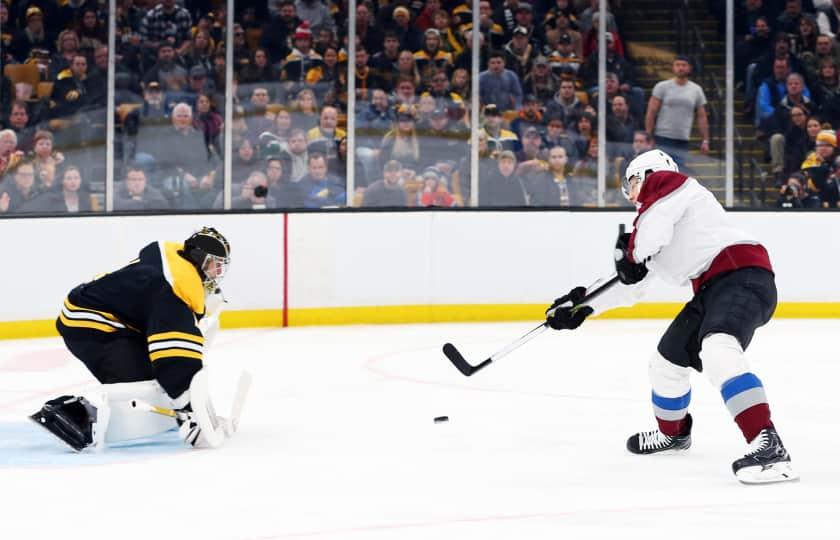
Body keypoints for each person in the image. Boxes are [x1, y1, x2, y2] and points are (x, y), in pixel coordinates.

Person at [545, 149, 797, 485]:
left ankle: (770, 446)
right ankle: (674, 434)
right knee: (665, 364)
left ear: (648, 174)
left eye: (632, 183)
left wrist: (631, 253)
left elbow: (641, 247)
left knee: (719, 348)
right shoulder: (657, 222)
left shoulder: (670, 187)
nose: (632, 194)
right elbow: (632, 284)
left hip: (742, 274)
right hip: (711, 288)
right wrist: (580, 307)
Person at [30, 227, 234, 451]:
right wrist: (190, 414)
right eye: (214, 264)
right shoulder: (175, 290)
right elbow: (174, 358)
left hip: (99, 314)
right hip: (90, 326)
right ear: (198, 259)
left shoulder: (174, 263)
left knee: (158, 375)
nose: (217, 271)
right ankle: (68, 414)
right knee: (144, 378)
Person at [645, 55, 710, 169]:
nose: (680, 68)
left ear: (689, 68)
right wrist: (648, 135)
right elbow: (651, 112)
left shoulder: (696, 90)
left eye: (684, 65)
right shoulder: (662, 86)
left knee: (678, 173)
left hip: (683, 139)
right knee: (661, 170)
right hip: (662, 137)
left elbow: (702, 117)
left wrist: (705, 140)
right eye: (677, 65)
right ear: (673, 67)